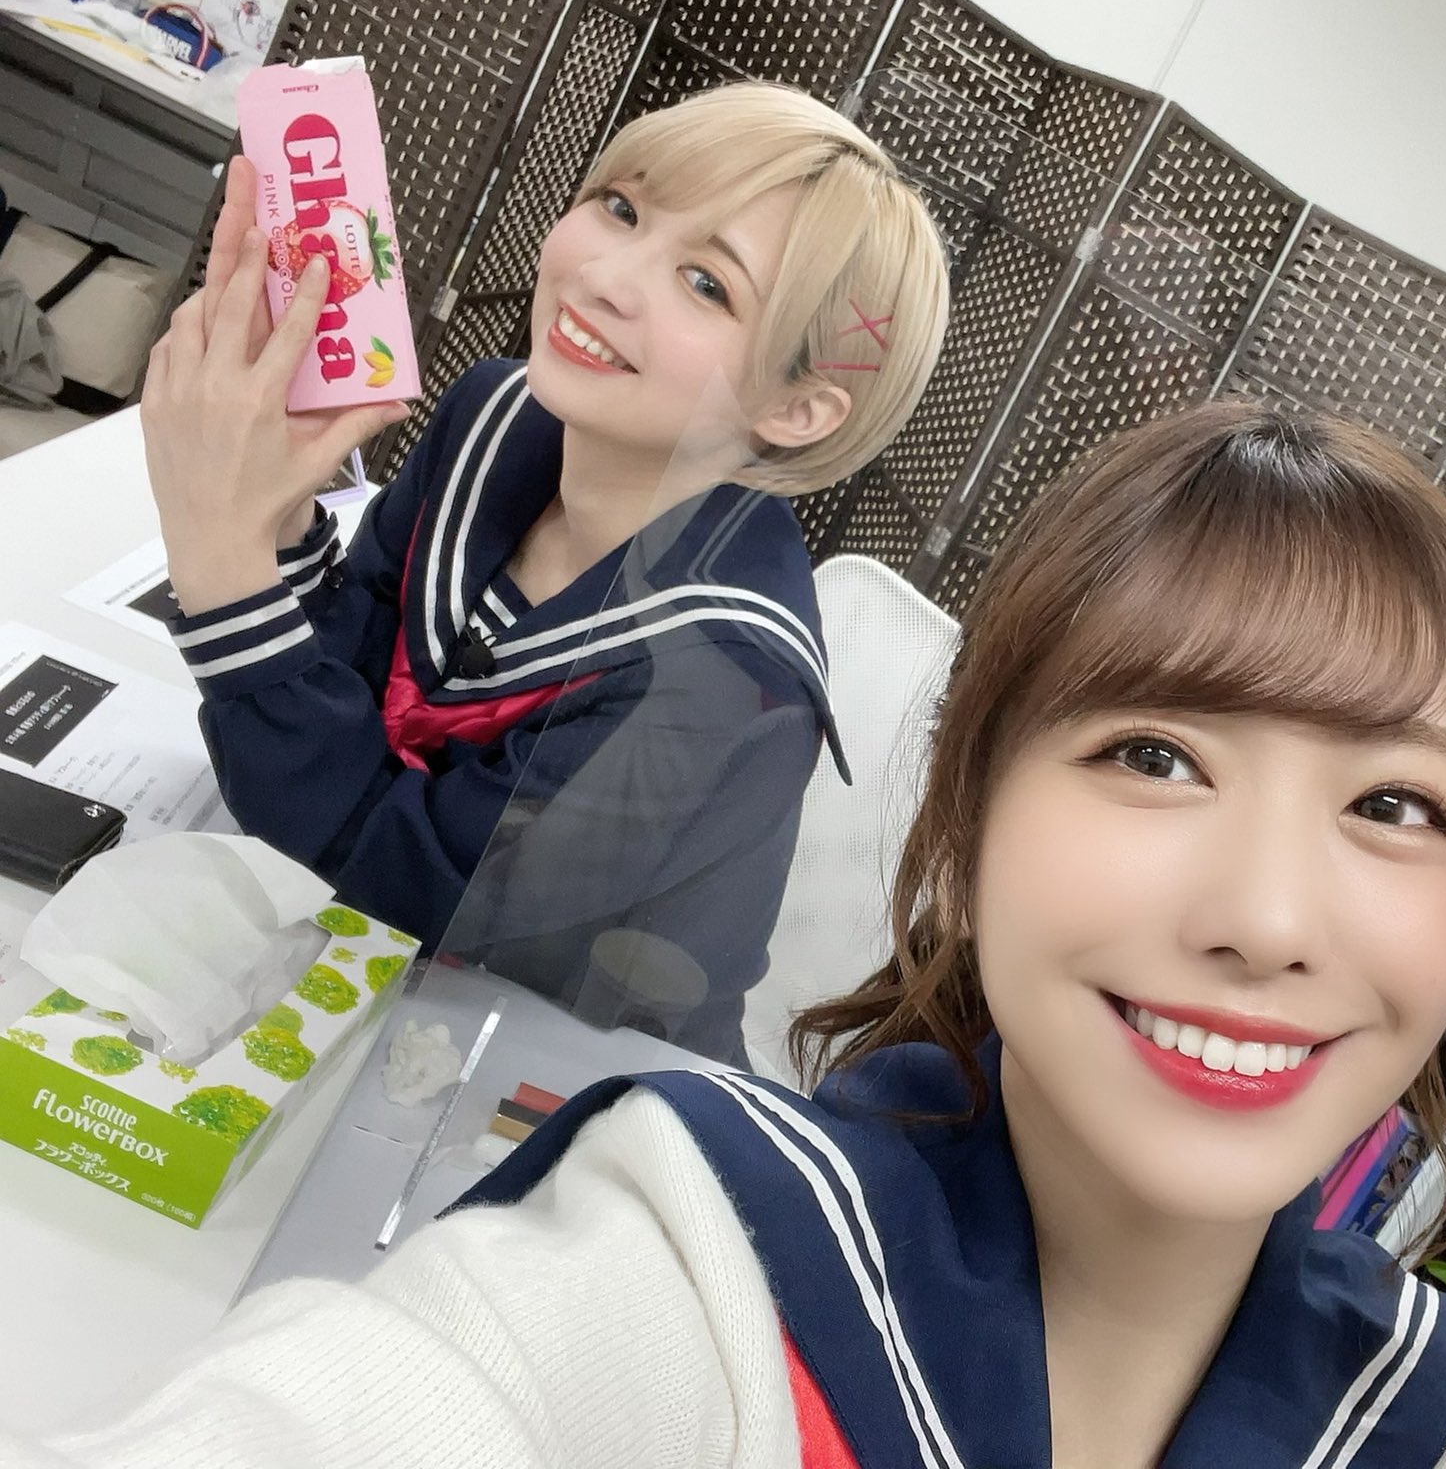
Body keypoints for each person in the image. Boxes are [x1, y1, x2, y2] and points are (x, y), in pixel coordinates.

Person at [12, 402, 1446, 1467]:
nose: (1265, 917)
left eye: (1391, 806)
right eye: (1155, 756)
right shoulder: (678, 1268)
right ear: (966, 823)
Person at [138, 82, 950, 1061]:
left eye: (707, 284)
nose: (605, 274)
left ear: (795, 408)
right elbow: (353, 670)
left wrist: (222, 557)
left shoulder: (724, 682)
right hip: (354, 975)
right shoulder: (493, 414)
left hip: (561, 1081)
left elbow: (414, 890)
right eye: (622, 207)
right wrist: (280, 514)